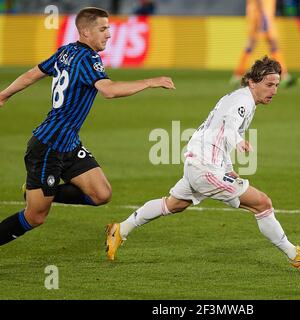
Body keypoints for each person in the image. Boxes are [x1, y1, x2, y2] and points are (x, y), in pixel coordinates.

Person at [106, 56, 300, 268]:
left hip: (199, 163)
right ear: (252, 82)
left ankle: (120, 229)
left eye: (276, 85)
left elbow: (216, 134)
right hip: (205, 168)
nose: (274, 90)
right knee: (262, 203)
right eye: (269, 84)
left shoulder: (239, 98)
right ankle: (294, 254)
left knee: (174, 204)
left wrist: (229, 169)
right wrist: (239, 141)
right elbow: (229, 127)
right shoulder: (243, 101)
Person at [0, 7, 175, 247]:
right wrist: (150, 81)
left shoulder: (66, 51)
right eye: (103, 29)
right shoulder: (87, 58)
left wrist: (4, 95)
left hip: (68, 143)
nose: (109, 34)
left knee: (101, 194)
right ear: (85, 31)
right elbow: (109, 90)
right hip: (48, 146)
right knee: (36, 216)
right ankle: (38, 197)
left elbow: (34, 73)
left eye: (109, 29)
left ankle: (43, 192)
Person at [231, 0, 298, 88]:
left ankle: (284, 74)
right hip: (259, 16)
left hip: (264, 16)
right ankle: (238, 74)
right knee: (253, 44)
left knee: (270, 44)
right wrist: (263, 16)